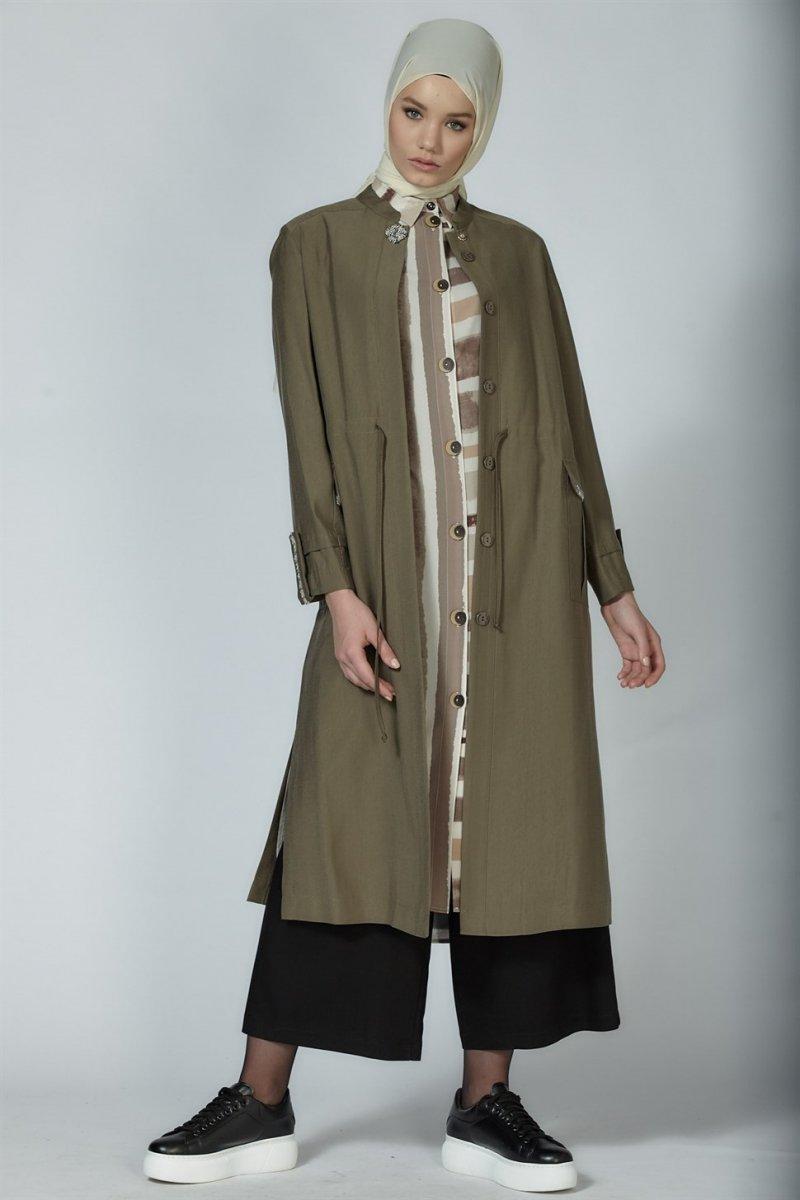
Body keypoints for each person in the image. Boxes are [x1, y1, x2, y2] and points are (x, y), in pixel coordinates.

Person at [143, 17, 665, 1194]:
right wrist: (334, 587)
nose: (431, 141)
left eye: (458, 120)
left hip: (516, 592)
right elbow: (309, 437)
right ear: (385, 107)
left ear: (484, 126)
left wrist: (612, 585)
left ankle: (486, 1106)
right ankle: (258, 1102)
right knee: (339, 827)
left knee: (513, 833)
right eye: (412, 111)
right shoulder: (314, 245)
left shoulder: (518, 255)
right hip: (383, 590)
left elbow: (568, 427)